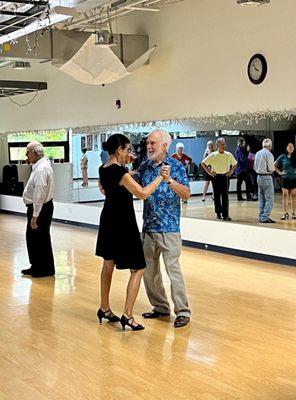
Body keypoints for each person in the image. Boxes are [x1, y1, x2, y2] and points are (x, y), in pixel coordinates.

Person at [95, 134, 164, 331]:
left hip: (108, 220)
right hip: (122, 223)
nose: (130, 154)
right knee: (138, 268)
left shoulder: (104, 169)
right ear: (119, 150)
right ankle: (127, 315)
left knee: (108, 264)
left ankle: (105, 308)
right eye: (127, 150)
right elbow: (142, 193)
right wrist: (161, 177)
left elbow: (110, 187)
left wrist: (128, 169)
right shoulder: (120, 172)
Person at [137, 129, 191, 328]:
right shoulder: (145, 167)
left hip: (169, 229)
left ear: (164, 146)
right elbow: (132, 182)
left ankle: (183, 311)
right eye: (148, 143)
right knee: (149, 272)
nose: (149, 147)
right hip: (149, 228)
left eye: (153, 143)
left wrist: (170, 181)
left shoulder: (176, 166)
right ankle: (160, 306)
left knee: (173, 271)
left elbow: (186, 194)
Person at [21, 141, 55, 278]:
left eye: (27, 152)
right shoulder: (40, 166)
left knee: (40, 238)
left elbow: (39, 193)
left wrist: (35, 216)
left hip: (40, 208)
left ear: (35, 153)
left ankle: (44, 269)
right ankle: (36, 265)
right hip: (40, 207)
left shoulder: (41, 169)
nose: (26, 155)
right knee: (33, 238)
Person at [201, 138, 237, 221]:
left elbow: (235, 164)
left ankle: (226, 215)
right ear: (217, 145)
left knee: (225, 196)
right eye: (222, 144)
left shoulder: (229, 155)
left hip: (225, 177)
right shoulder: (213, 155)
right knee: (216, 196)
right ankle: (218, 213)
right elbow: (203, 163)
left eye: (224, 144)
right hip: (216, 177)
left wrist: (231, 171)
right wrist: (209, 172)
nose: (224, 146)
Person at [254, 138, 275, 223]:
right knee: (269, 199)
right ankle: (265, 217)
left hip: (259, 177)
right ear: (270, 146)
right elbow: (271, 168)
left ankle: (261, 216)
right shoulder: (269, 154)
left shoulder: (258, 153)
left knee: (261, 198)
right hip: (267, 177)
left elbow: (254, 167)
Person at [274, 142, 296, 220]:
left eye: (292, 147)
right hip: (285, 178)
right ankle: (285, 213)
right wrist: (280, 172)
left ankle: (294, 213)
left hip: (294, 179)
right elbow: (274, 165)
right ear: (286, 148)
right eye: (289, 146)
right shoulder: (283, 156)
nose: (291, 148)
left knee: (294, 196)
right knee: (285, 195)